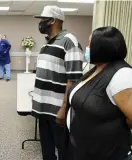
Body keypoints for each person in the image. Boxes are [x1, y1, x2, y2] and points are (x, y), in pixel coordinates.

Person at [63, 26, 132, 160]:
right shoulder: (96, 69)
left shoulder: (122, 75)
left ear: (102, 47)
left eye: (90, 43)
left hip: (106, 153)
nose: (87, 47)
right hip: (84, 148)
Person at [32, 6, 83, 160]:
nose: (40, 23)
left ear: (52, 21)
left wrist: (64, 108)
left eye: (42, 19)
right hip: (42, 109)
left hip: (57, 111)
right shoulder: (46, 44)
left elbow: (73, 79)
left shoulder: (69, 42)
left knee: (63, 151)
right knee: (47, 152)